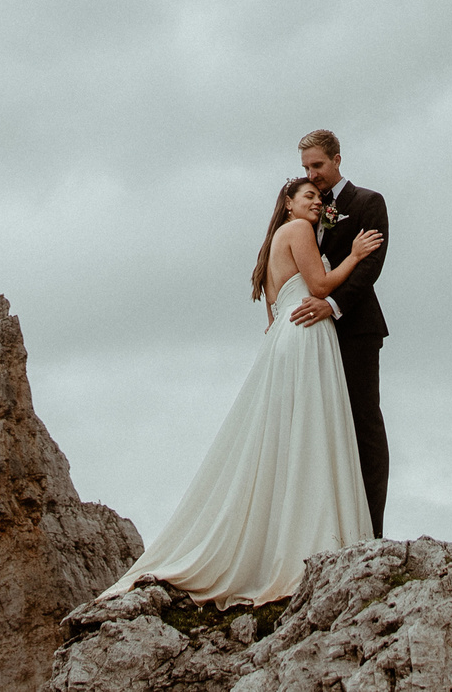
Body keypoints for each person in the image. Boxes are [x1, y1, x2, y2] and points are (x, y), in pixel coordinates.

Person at [103, 174, 385, 604]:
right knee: (311, 433)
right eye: (307, 196)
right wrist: (354, 254)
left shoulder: (273, 241)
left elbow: (273, 311)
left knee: (288, 438)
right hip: (306, 335)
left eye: (318, 197)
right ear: (288, 203)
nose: (316, 202)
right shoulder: (299, 230)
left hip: (283, 339)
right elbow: (321, 287)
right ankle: (311, 536)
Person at [287, 129, 391, 537]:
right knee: (322, 427)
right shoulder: (303, 209)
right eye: (306, 169)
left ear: (337, 160)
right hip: (312, 333)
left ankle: (372, 531)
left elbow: (370, 267)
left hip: (356, 329)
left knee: (364, 422)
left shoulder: (367, 202)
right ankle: (331, 528)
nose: (312, 176)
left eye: (318, 165)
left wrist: (331, 306)